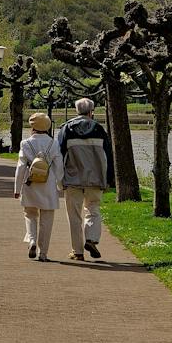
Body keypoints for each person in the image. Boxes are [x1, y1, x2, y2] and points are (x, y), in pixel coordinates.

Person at [55, 97, 113, 261]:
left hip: (72, 178)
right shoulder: (99, 129)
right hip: (95, 178)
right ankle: (91, 239)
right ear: (91, 112)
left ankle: (77, 251)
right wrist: (108, 179)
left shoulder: (66, 129)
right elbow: (108, 156)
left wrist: (59, 179)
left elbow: (59, 155)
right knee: (93, 209)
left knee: (74, 215)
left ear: (76, 111)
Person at [14, 111, 62, 261]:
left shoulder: (25, 143)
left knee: (30, 214)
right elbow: (59, 167)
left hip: (31, 183)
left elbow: (21, 166)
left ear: (32, 126)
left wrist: (17, 188)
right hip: (48, 184)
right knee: (47, 219)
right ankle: (43, 253)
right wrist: (59, 184)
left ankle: (32, 240)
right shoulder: (53, 143)